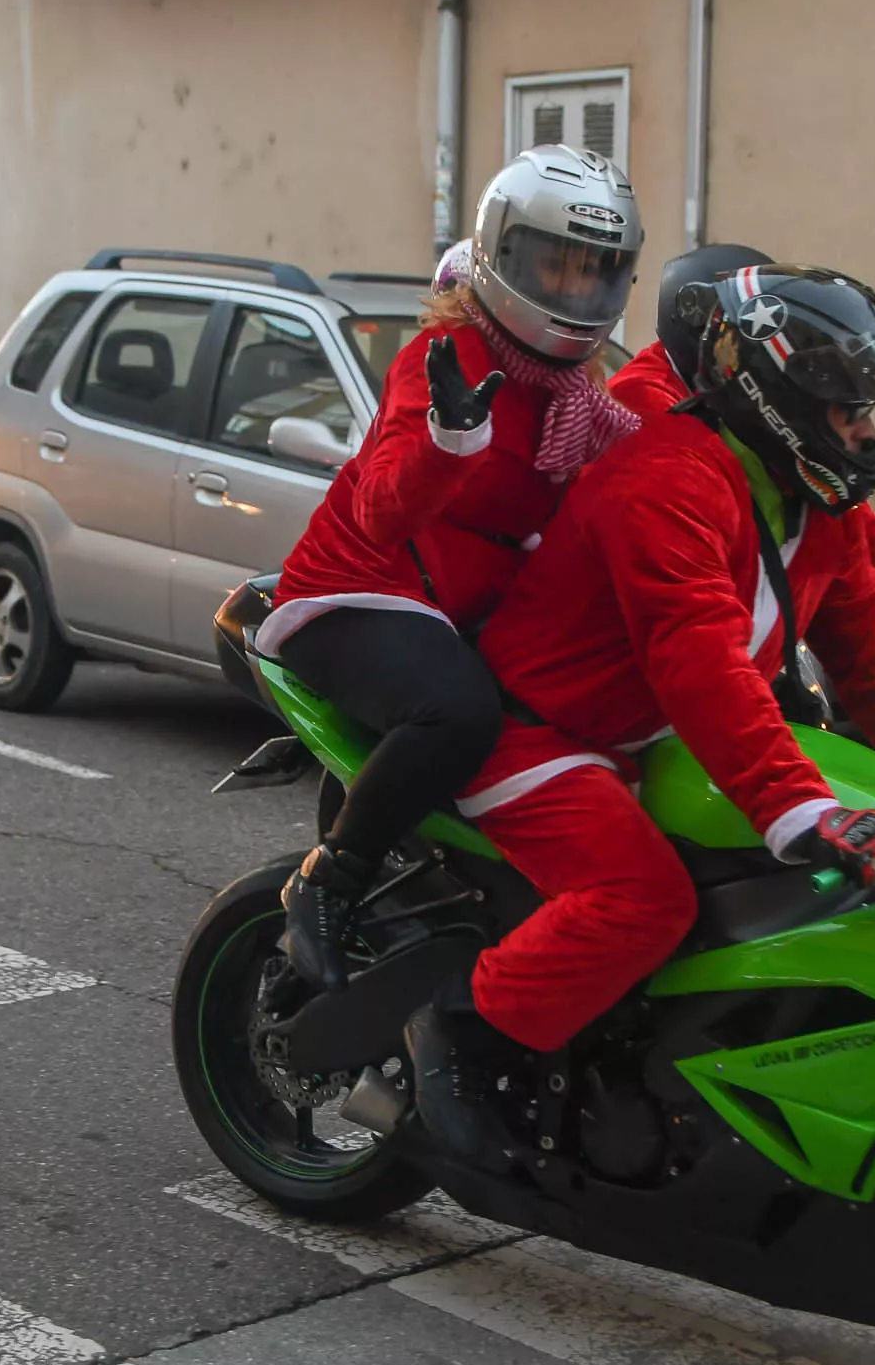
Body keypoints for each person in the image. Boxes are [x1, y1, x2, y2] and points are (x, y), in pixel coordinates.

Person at [404, 263, 875, 1166]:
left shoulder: (806, 497)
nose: (868, 432)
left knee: (770, 885)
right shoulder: (667, 480)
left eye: (871, 409)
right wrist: (808, 810)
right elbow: (698, 657)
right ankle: (463, 1033)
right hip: (543, 731)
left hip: (645, 732)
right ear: (781, 393)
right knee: (646, 900)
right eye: (850, 409)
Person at [255, 145, 646, 991]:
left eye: (597, 272)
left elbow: (644, 477)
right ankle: (329, 881)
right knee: (459, 716)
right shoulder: (448, 356)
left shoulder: (580, 395)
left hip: (466, 605)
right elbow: (381, 509)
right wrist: (449, 439)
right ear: (503, 256)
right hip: (359, 589)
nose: (578, 291)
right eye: (557, 265)